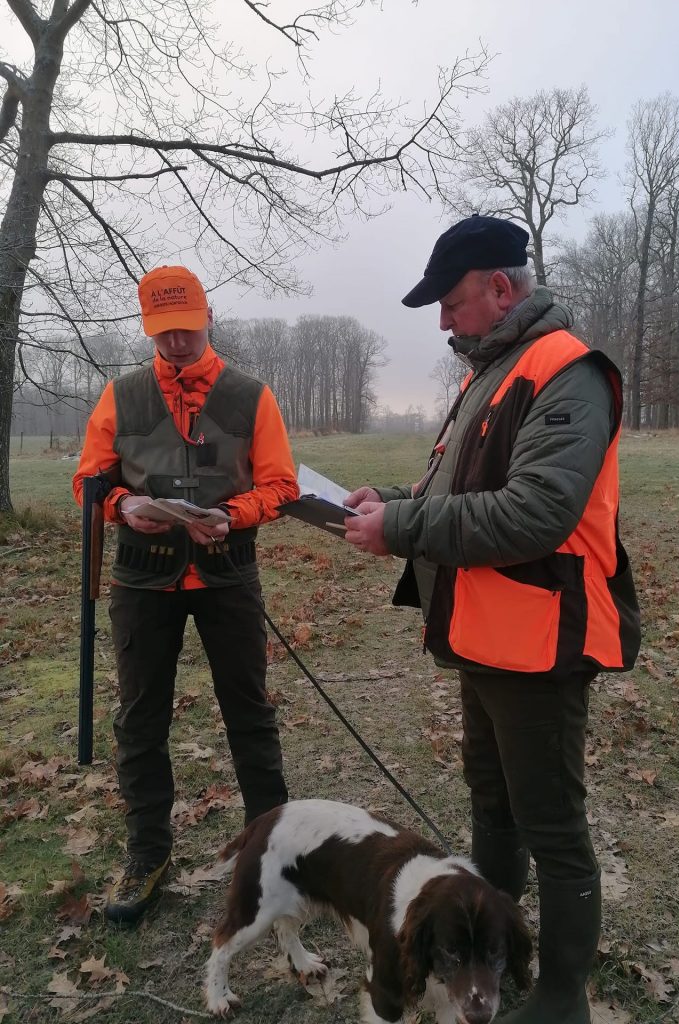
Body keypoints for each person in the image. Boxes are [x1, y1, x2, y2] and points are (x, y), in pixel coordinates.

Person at [344, 215, 641, 1024]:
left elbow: (535, 512)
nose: (442, 320)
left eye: (450, 302)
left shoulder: (567, 372)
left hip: (541, 647)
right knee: (492, 805)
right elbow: (453, 492)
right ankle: (490, 950)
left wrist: (402, 528)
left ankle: (560, 999)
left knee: (551, 826)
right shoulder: (491, 373)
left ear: (501, 289)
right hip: (484, 639)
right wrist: (388, 504)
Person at [73, 265, 299, 925]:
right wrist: (122, 504)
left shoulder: (252, 396)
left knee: (250, 714)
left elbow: (282, 485)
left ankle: (273, 855)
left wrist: (235, 514)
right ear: (150, 329)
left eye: (186, 329)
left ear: (208, 319)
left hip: (228, 575)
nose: (176, 343)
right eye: (163, 332)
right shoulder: (120, 396)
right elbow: (89, 481)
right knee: (140, 720)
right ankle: (147, 855)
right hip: (142, 580)